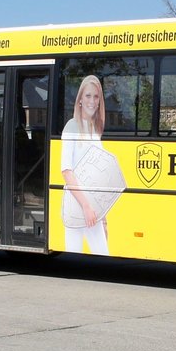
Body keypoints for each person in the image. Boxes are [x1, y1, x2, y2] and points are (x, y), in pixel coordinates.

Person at [61, 75, 110, 254]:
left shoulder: (94, 129)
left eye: (96, 97)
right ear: (80, 99)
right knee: (74, 254)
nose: (92, 101)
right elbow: (66, 171)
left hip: (92, 208)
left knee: (102, 253)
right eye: (88, 96)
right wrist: (86, 206)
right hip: (76, 206)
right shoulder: (71, 127)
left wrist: (102, 216)